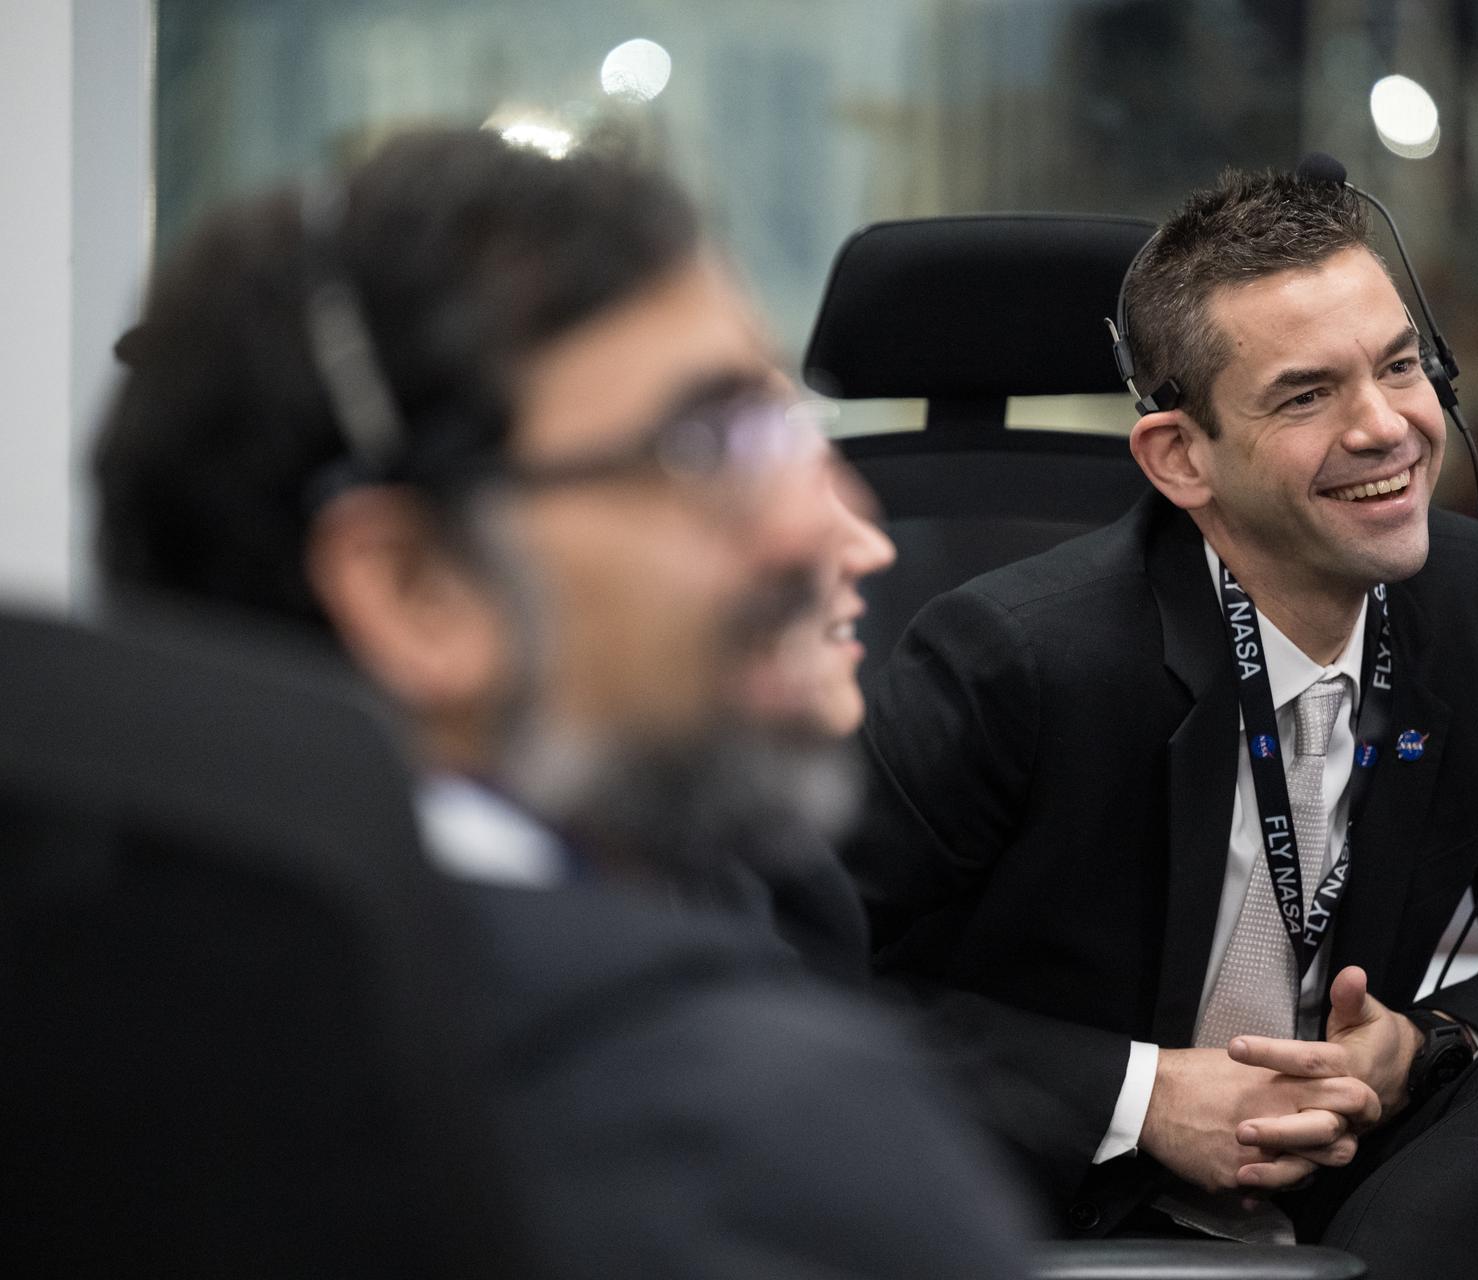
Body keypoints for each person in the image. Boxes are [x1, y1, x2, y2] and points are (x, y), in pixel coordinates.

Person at [93, 126, 1029, 1278]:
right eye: (712, 440)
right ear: (418, 587)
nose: (844, 530)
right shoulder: (748, 1136)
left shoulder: (98, 1008)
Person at [846, 167, 1478, 1278]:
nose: (1386, 426)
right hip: (1054, 1183)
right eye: (1306, 395)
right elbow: (791, 970)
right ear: (1180, 458)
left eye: (1401, 366)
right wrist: (1140, 1093)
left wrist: (1418, 1045)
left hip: (1339, 1177)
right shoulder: (1010, 653)